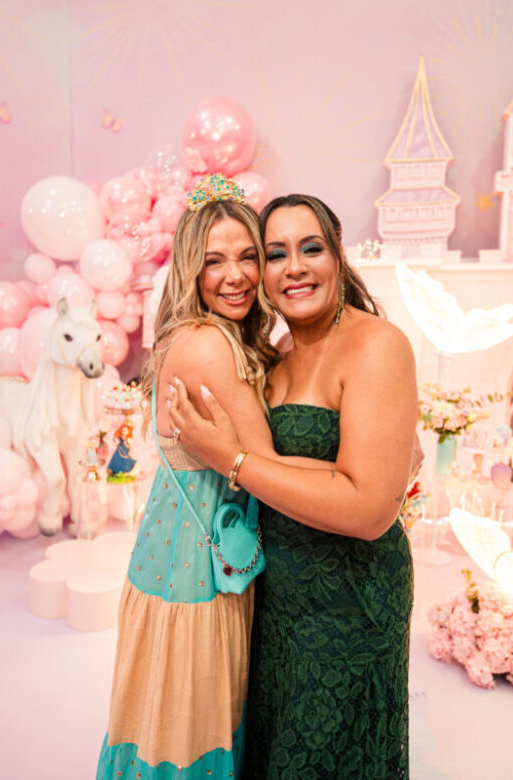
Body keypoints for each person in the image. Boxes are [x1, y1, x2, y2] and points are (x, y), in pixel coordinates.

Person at [167, 193, 418, 777]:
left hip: (349, 602)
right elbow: (291, 465)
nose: (294, 267)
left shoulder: (377, 344)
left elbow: (369, 511)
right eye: (275, 254)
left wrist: (228, 459)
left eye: (311, 248)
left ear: (338, 255)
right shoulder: (277, 352)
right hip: (277, 598)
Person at [95, 174, 283, 778]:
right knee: (189, 736)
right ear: (190, 270)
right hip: (196, 574)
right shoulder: (206, 344)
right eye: (214, 261)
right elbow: (270, 467)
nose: (236, 275)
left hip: (175, 555)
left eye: (248, 256)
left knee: (163, 726)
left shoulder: (205, 335)